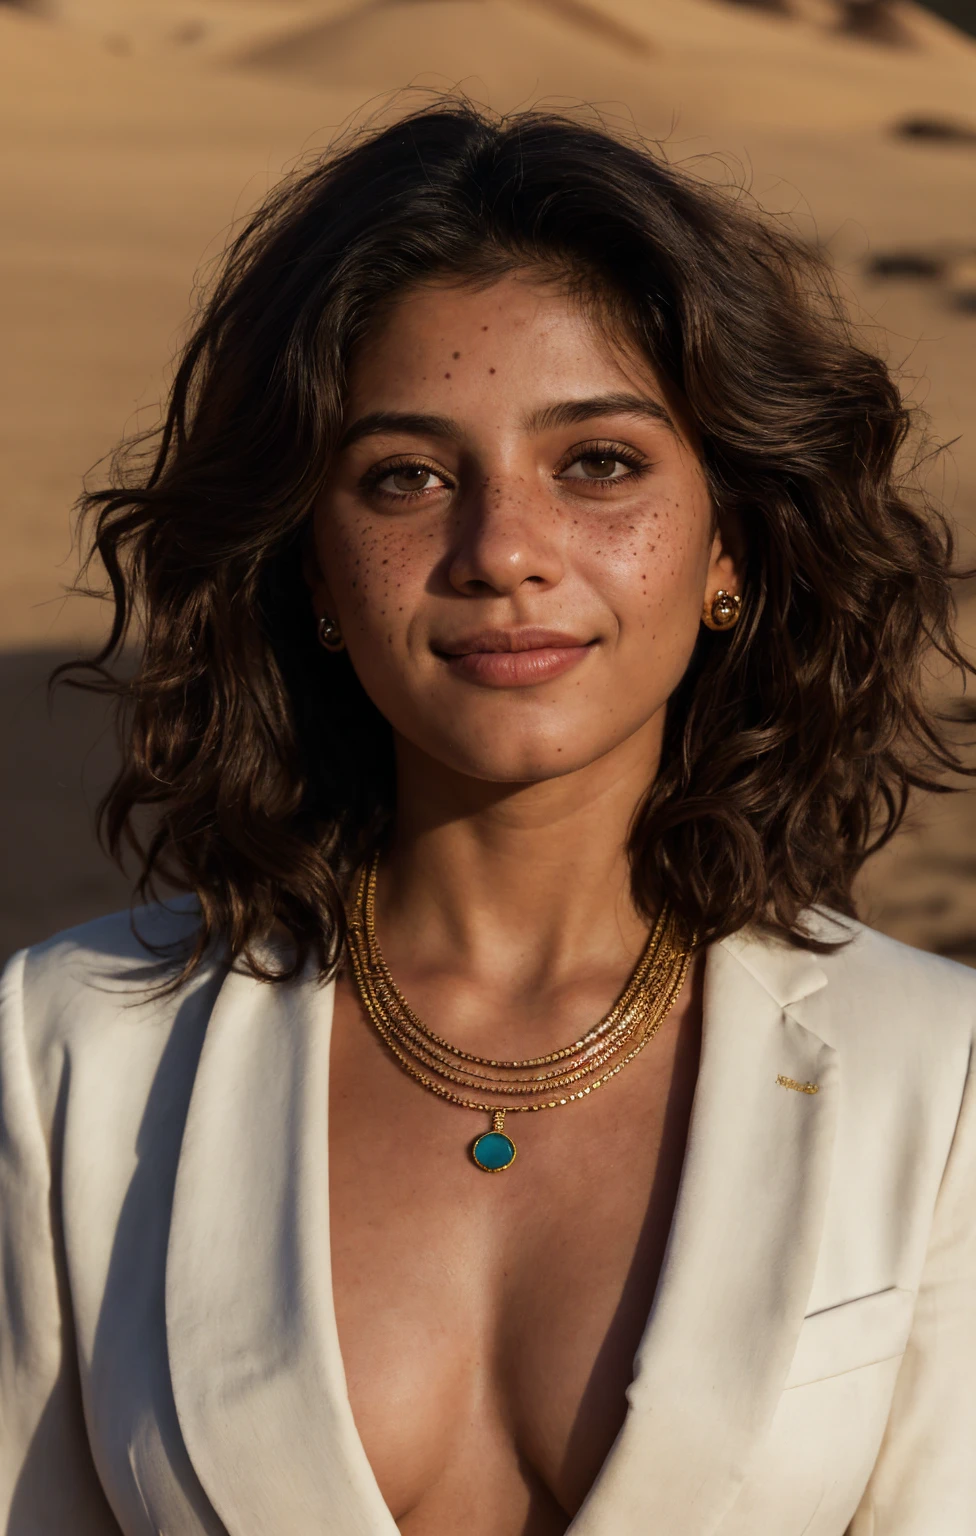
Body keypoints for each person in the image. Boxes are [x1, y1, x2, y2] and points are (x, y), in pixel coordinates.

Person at [1, 101, 974, 1536]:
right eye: (407, 476)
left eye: (599, 465)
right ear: (316, 571)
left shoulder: (938, 1081)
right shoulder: (66, 1049)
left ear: (732, 544)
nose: (503, 549)